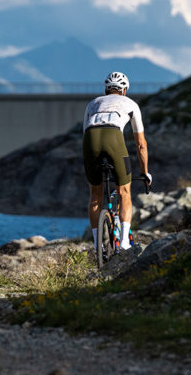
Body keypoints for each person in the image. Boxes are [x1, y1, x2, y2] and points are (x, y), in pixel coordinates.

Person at [82, 71, 152, 251]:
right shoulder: (131, 104)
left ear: (106, 89)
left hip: (90, 139)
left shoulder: (93, 103)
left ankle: (97, 246)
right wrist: (144, 172)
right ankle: (125, 243)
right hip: (113, 137)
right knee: (124, 192)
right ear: (125, 90)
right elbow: (141, 145)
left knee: (95, 195)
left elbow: (85, 133)